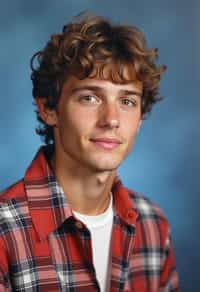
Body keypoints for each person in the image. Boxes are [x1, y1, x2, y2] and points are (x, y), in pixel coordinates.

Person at [0, 12, 179, 291]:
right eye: (89, 97)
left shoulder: (153, 224)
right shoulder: (4, 232)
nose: (111, 119)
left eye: (127, 101)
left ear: (140, 118)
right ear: (49, 109)